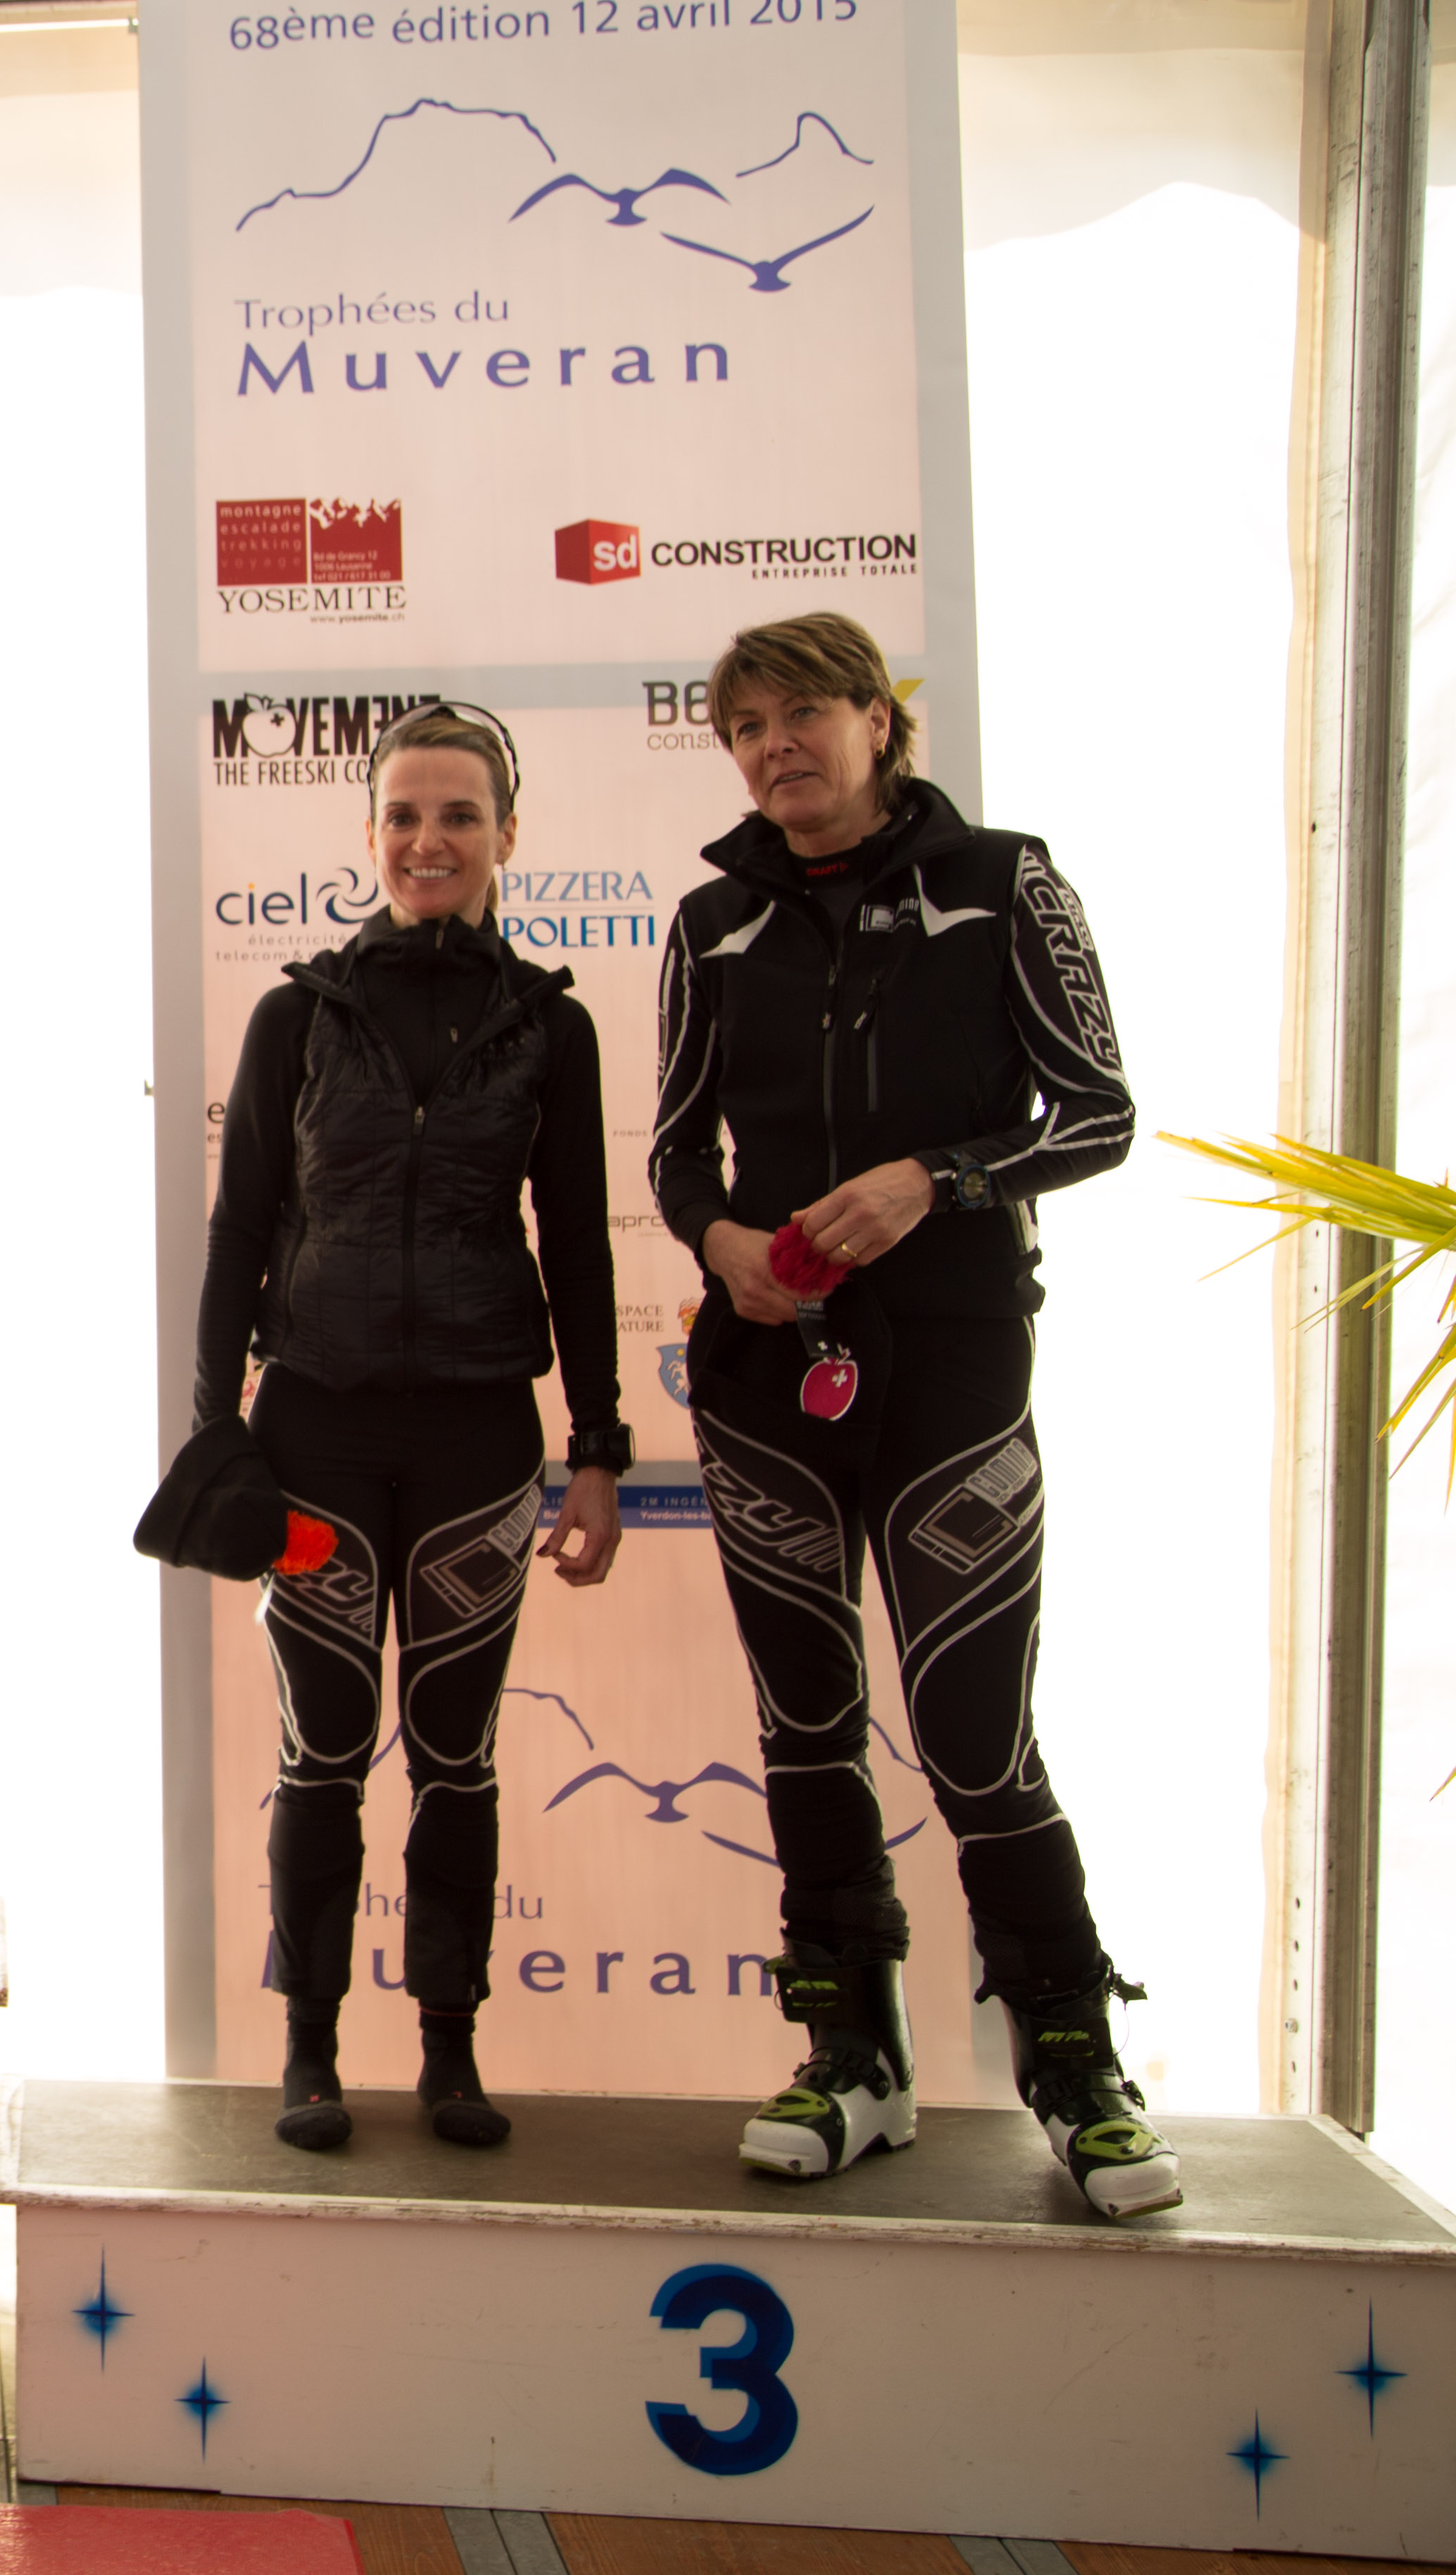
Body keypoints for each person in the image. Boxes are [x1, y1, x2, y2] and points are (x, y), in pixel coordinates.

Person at [651, 611, 1178, 2219]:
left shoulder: (1007, 883)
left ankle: (1077, 2067)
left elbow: (1099, 1114)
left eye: (804, 712)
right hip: (766, 1378)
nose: (775, 747)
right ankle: (852, 2056)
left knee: (973, 1737)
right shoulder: (711, 920)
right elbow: (674, 1153)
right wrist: (721, 1243)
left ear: (879, 720)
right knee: (805, 1729)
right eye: (747, 727)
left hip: (953, 1371)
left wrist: (932, 1182)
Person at [195, 704, 627, 2151]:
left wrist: (600, 1448)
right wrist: (211, 1430)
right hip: (313, 1435)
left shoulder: (551, 1026)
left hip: (477, 1444)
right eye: (402, 816)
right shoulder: (298, 1017)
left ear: (508, 834)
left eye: (458, 816)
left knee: (457, 1759)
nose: (427, 842)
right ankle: (310, 2051)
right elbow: (238, 1234)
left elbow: (581, 1246)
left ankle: (451, 2052)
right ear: (369, 834)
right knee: (321, 1756)